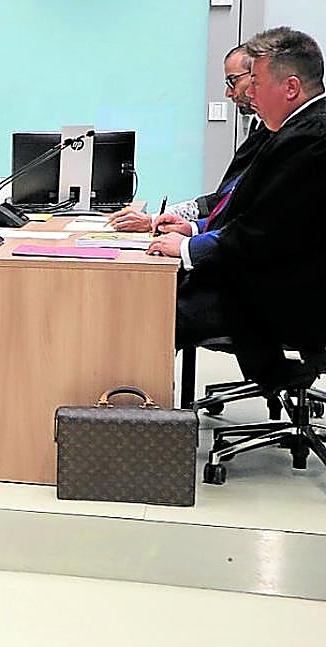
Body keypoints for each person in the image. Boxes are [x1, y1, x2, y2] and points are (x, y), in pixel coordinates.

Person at [146, 27, 326, 385]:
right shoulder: (297, 131)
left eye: (255, 82)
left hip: (289, 297)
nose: (248, 93)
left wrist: (186, 248)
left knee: (151, 313)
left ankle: (134, 423)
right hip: (280, 280)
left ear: (290, 88)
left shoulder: (310, 140)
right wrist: (193, 235)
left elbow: (261, 234)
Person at [110, 46, 272, 232]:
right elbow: (227, 199)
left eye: (232, 81)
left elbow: (237, 204)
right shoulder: (259, 126)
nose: (228, 93)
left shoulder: (284, 135)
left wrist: (167, 225)